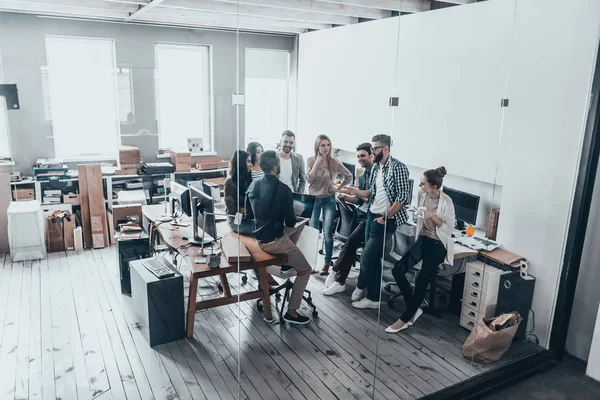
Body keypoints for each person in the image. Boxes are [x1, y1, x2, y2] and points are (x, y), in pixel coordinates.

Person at [342, 134, 411, 309]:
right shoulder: (376, 169)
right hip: (372, 216)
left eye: (375, 148)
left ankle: (360, 287)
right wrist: (355, 191)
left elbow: (403, 198)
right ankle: (373, 298)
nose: (372, 151)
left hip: (385, 220)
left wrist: (386, 217)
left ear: (385, 149)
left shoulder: (398, 168)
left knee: (367, 256)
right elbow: (371, 193)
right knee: (373, 258)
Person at [245, 150, 312, 325]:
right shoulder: (284, 189)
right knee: (306, 270)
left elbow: (250, 214)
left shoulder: (252, 186)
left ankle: (288, 261)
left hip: (258, 236)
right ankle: (292, 312)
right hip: (274, 242)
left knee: (300, 224)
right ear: (276, 167)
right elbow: (290, 222)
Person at [385, 167, 455, 333]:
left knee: (422, 281)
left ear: (434, 187)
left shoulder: (447, 202)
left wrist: (432, 216)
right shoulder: (422, 196)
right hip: (423, 240)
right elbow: (419, 217)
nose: (420, 186)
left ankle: (404, 319)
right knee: (398, 271)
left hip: (438, 245)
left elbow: (448, 229)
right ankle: (413, 308)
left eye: (423, 184)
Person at [323, 143, 374, 295]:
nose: (360, 159)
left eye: (363, 156)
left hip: (369, 217)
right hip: (359, 214)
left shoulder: (376, 176)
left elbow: (374, 200)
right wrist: (346, 197)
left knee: (350, 243)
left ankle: (335, 272)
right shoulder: (364, 175)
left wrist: (356, 192)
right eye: (358, 156)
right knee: (349, 246)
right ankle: (341, 281)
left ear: (371, 155)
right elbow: (359, 201)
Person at [224, 150, 277, 286]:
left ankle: (263, 273)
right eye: (248, 161)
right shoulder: (229, 183)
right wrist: (252, 209)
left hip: (250, 218)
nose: (251, 164)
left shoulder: (250, 180)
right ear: (241, 163)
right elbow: (232, 209)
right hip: (235, 219)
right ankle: (263, 276)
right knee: (260, 232)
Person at [306, 134, 353, 276]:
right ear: (317, 147)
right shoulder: (310, 160)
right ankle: (311, 263)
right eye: (322, 145)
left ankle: (326, 263)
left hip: (329, 200)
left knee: (327, 233)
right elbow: (309, 179)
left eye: (328, 145)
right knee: (314, 232)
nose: (326, 148)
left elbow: (349, 176)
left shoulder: (334, 162)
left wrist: (338, 189)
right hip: (314, 200)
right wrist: (316, 163)